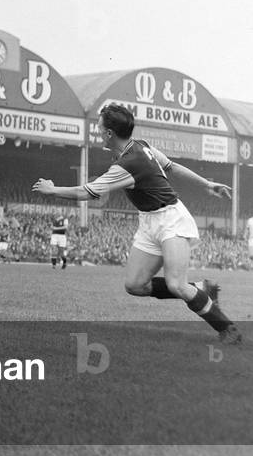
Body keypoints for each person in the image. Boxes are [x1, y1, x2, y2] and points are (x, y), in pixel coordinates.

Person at [32, 103, 240, 344]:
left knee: (177, 284)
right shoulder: (140, 146)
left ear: (109, 133)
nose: (98, 131)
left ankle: (228, 329)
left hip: (171, 218)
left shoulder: (128, 163)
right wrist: (206, 183)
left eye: (100, 127)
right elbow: (171, 167)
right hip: (149, 220)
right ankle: (203, 287)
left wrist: (52, 189)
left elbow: (87, 192)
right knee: (135, 284)